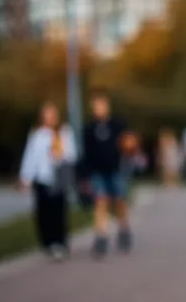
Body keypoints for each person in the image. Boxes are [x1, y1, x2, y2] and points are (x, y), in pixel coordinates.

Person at [18, 101, 76, 260]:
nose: (50, 118)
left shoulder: (64, 132)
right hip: (42, 178)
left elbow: (72, 156)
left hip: (58, 178)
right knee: (44, 212)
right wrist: (25, 177)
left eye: (52, 114)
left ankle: (60, 242)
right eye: (46, 114)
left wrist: (60, 155)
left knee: (59, 212)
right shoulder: (37, 135)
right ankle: (48, 243)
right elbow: (30, 157)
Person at [81, 90, 133, 258]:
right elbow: (86, 153)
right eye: (96, 105)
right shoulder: (89, 128)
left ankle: (124, 230)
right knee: (101, 202)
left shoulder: (117, 124)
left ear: (107, 106)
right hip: (97, 171)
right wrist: (85, 175)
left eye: (102, 105)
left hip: (116, 169)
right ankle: (101, 236)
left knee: (119, 202)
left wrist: (129, 146)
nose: (100, 108)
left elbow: (128, 143)